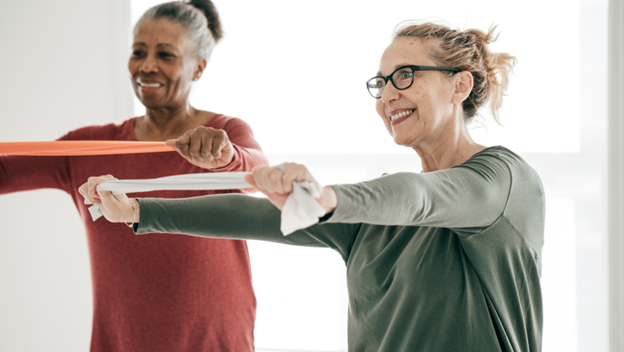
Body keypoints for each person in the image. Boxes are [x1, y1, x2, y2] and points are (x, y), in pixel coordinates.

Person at [84, 22, 544, 351]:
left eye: (405, 75)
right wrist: (141, 210)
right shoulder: (377, 212)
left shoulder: (503, 181)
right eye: (380, 83)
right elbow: (258, 214)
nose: (387, 95)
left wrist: (326, 199)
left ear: (459, 85)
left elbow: (423, 198)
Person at [0, 1, 267, 351]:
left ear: (198, 67)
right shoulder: (88, 146)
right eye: (138, 52)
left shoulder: (222, 132)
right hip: (122, 342)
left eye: (166, 55)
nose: (147, 66)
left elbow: (258, 172)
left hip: (215, 341)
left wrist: (226, 156)